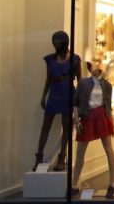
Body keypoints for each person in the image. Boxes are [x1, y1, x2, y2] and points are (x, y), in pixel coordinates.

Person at [33, 31, 82, 172]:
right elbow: (48, 79)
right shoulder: (50, 59)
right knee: (45, 126)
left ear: (65, 43)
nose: (56, 45)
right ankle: (39, 158)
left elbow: (80, 81)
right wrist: (44, 95)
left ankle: (62, 158)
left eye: (58, 42)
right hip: (54, 94)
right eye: (55, 42)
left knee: (66, 127)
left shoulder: (75, 59)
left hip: (68, 94)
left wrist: (78, 100)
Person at [72, 60, 114, 199]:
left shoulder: (107, 85)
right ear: (90, 68)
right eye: (95, 65)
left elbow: (108, 104)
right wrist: (76, 119)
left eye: (100, 65)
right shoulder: (83, 83)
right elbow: (75, 102)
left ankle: (112, 183)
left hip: (102, 116)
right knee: (80, 151)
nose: (98, 67)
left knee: (108, 149)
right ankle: (74, 184)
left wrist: (111, 121)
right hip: (87, 117)